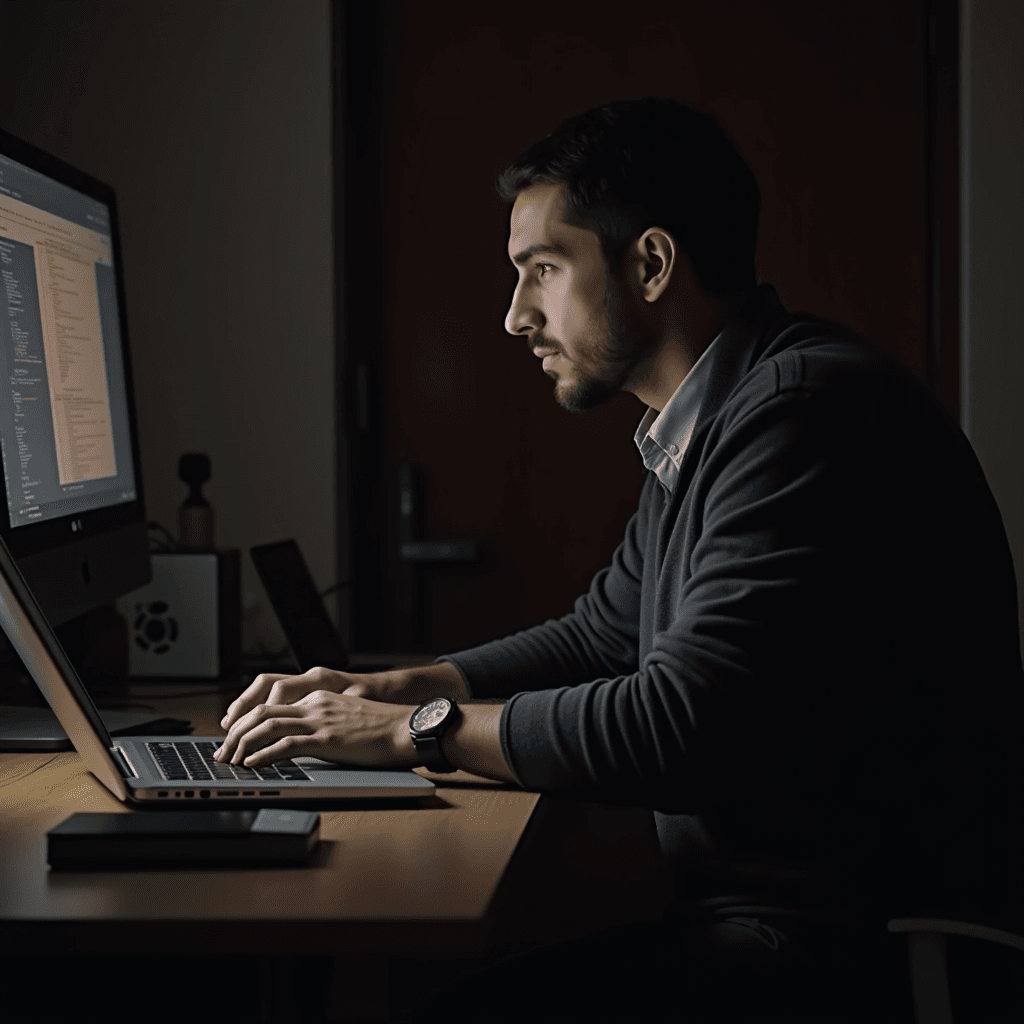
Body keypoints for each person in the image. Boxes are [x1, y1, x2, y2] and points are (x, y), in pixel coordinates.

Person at [215, 99, 1022, 1021]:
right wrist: (397, 687)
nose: (516, 316)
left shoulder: (798, 416)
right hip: (780, 928)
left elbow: (678, 721)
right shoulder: (715, 418)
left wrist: (419, 731)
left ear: (650, 264)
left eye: (543, 271)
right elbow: (605, 635)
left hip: (863, 958)